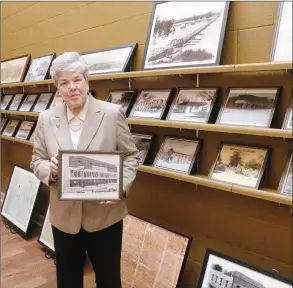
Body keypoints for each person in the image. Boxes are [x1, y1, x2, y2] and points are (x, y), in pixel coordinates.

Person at [30, 51, 140, 288]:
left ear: (87, 81)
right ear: (57, 88)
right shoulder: (46, 119)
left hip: (105, 217)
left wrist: (121, 185)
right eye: (64, 82)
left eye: (77, 79)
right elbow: (36, 160)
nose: (72, 87)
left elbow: (131, 156)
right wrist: (51, 170)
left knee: (109, 279)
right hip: (64, 218)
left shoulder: (112, 114)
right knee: (68, 280)